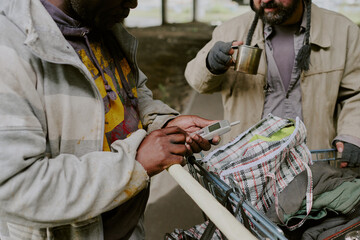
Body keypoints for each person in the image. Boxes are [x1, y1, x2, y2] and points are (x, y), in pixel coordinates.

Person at [0, 0, 220, 239]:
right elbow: (15, 186)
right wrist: (134, 163)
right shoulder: (9, 49)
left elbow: (132, 91)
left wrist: (164, 125)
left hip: (128, 227)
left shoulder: (102, 26)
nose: (134, 4)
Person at [185, 0, 360, 168]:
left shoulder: (343, 32)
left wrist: (353, 135)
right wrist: (210, 64)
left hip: (314, 162)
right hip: (247, 166)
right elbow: (198, 83)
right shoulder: (230, 31)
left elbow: (356, 94)